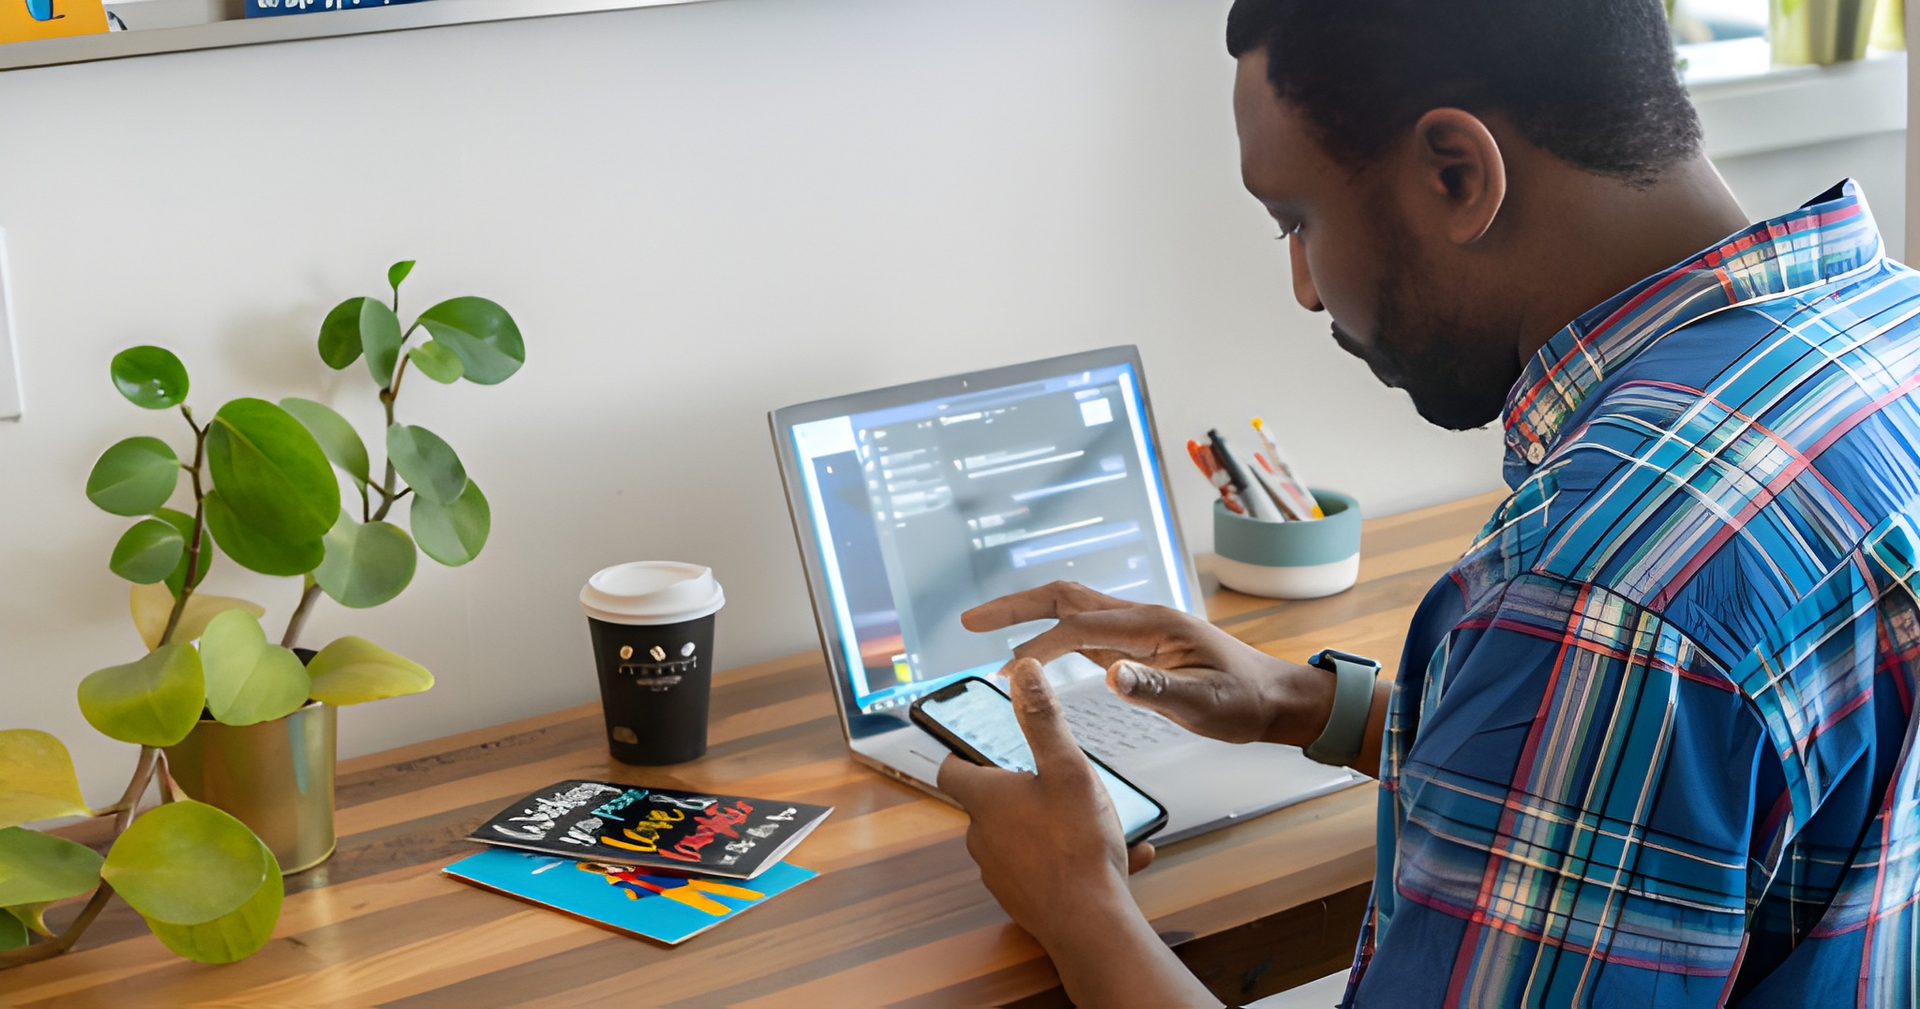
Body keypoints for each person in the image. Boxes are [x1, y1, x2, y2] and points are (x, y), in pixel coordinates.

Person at [937, 0, 1920, 1006]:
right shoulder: (1893, 334)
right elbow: (1711, 800)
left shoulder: (1596, 592)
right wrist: (1303, 703)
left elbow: (1624, 671)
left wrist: (1078, 901)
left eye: (1297, 221)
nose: (1304, 289)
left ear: (1458, 174)